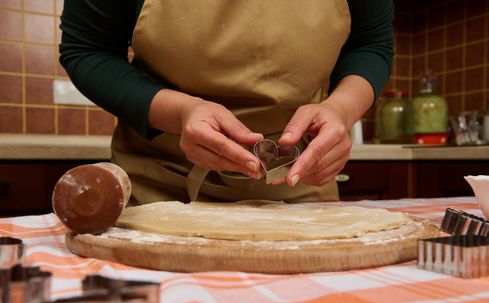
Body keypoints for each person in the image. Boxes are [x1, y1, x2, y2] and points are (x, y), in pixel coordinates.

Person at [60, 0, 394, 204]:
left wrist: (339, 109)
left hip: (298, 187)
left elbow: (371, 44)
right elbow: (87, 48)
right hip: (160, 188)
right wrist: (180, 113)